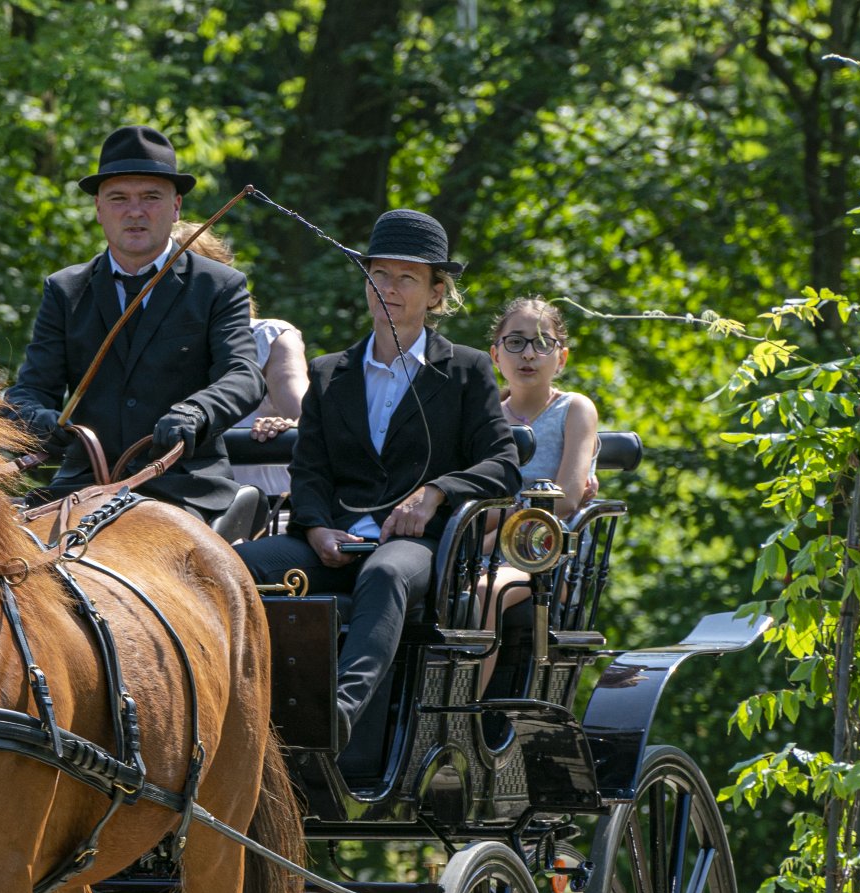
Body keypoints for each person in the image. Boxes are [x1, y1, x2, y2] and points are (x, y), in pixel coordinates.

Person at [237, 209, 519, 745]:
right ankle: (232, 704)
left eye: (407, 277)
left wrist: (435, 493)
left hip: (417, 546)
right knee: (234, 565)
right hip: (330, 539)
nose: (389, 288)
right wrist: (316, 528)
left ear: (436, 293)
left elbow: (501, 465)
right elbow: (311, 469)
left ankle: (337, 717)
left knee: (386, 575)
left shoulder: (464, 370)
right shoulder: (328, 372)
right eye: (379, 275)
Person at [3, 126, 264, 524]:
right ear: (98, 208)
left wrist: (197, 411)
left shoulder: (219, 285)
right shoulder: (66, 289)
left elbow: (242, 374)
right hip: (81, 485)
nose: (135, 212)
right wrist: (39, 420)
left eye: (151, 198)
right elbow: (31, 389)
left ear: (176, 206)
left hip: (182, 485)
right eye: (119, 199)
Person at [478, 297, 602, 696]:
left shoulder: (574, 409)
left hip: (543, 555)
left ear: (561, 358)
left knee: (484, 591)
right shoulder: (485, 414)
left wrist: (498, 526)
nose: (528, 354)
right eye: (514, 342)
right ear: (495, 355)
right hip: (475, 547)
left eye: (541, 343)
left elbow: (564, 500)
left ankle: (457, 714)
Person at [174, 222, 308, 511]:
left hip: (268, 512)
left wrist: (284, 425)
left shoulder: (268, 338)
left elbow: (305, 417)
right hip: (180, 511)